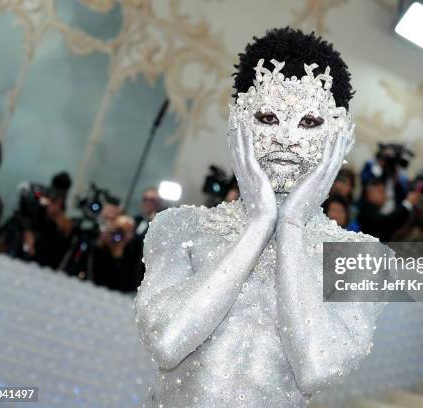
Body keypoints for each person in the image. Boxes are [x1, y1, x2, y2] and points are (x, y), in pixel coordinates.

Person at [135, 27, 388, 408]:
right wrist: (258, 225)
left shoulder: (361, 259)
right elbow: (168, 343)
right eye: (269, 117)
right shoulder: (179, 228)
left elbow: (317, 367)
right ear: (239, 123)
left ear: (340, 137)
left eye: (308, 122)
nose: (286, 138)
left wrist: (290, 227)